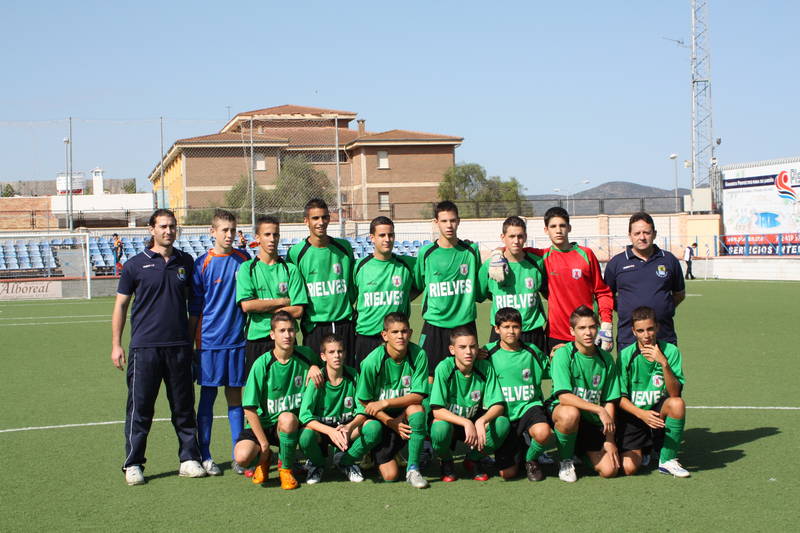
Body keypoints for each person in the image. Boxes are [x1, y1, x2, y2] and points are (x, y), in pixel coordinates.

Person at [110, 209, 205, 486]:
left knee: (184, 408)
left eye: (172, 226)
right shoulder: (134, 265)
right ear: (151, 229)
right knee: (140, 410)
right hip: (145, 349)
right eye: (163, 226)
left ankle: (189, 459)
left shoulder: (185, 261)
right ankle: (133, 463)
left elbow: (194, 307)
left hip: (179, 348)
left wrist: (190, 341)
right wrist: (116, 344)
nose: (168, 231)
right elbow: (121, 306)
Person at [488, 207, 614, 354]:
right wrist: (497, 253)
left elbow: (602, 291)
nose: (558, 230)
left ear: (569, 228)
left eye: (562, 225)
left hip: (586, 331)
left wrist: (606, 324)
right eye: (553, 226)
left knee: (591, 376)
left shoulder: (586, 254)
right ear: (546, 230)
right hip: (556, 335)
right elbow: (514, 245)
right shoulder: (542, 257)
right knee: (560, 376)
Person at [188, 210, 250, 476]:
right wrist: (193, 345)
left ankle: (238, 454)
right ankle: (206, 454)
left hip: (237, 341)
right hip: (210, 343)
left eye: (232, 230)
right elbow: (195, 310)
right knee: (208, 398)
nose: (229, 235)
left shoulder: (244, 260)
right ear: (212, 232)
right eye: (224, 230)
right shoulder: (202, 264)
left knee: (235, 397)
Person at [233, 311, 323, 490]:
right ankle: (264, 461)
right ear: (272, 334)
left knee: (288, 418)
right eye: (282, 331)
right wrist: (264, 445)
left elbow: (327, 367)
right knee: (242, 457)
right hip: (264, 426)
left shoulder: (306, 355)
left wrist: (315, 366)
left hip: (289, 424)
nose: (287, 335)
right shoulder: (262, 364)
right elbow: (249, 408)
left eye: (290, 330)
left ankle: (286, 469)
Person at [354, 312, 430, 488]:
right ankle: (369, 452)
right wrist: (390, 422)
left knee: (417, 411)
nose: (400, 336)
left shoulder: (418, 355)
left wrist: (387, 403)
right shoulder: (372, 361)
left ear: (410, 333)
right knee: (390, 476)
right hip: (380, 419)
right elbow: (365, 401)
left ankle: (413, 469)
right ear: (384, 335)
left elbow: (418, 396)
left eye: (404, 331)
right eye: (394, 332)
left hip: (402, 414)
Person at [546, 305, 621, 482]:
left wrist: (610, 440)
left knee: (610, 471)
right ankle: (565, 460)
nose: (588, 333)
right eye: (582, 328)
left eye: (592, 327)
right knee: (570, 413)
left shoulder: (606, 358)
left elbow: (609, 400)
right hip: (565, 413)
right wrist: (599, 410)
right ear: (572, 330)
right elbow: (563, 396)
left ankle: (580, 452)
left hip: (591, 422)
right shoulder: (563, 354)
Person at [616, 306, 689, 478]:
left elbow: (674, 393)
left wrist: (664, 363)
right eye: (640, 331)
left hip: (658, 413)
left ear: (657, 327)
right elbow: (619, 398)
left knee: (677, 404)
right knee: (629, 468)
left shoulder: (670, 351)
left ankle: (667, 460)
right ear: (634, 332)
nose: (646, 335)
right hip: (634, 414)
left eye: (650, 329)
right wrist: (641, 414)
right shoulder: (625, 355)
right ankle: (647, 447)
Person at [430, 326, 509, 482]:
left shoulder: (485, 368)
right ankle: (446, 460)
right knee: (439, 429)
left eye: (473, 347)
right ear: (452, 350)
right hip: (451, 422)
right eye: (462, 347)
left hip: (475, 420)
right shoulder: (444, 368)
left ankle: (473, 459)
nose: (468, 352)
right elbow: (437, 411)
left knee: (502, 423)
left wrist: (481, 421)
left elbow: (498, 405)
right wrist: (466, 422)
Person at [286, 198, 357, 365]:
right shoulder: (296, 253)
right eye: (315, 218)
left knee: (346, 377)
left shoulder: (343, 248)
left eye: (324, 217)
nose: (321, 222)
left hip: (344, 325)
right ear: (306, 221)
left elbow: (352, 286)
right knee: (316, 377)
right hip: (314, 327)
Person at [485, 308, 552, 482]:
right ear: (497, 329)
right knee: (507, 474)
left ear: (521, 328)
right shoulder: (486, 353)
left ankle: (531, 459)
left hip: (529, 407)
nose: (511, 331)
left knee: (543, 432)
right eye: (506, 327)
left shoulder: (532, 351)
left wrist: (558, 354)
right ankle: (520, 447)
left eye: (515, 326)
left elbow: (551, 370)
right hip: (504, 414)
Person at [414, 201, 481, 377]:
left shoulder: (471, 251)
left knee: (466, 375)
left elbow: (480, 287)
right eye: (444, 221)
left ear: (458, 221)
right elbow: (418, 285)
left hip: (464, 324)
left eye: (452, 220)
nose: (449, 225)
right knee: (429, 376)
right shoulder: (426, 253)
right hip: (435, 325)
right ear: (436, 222)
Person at [236, 215, 307, 377]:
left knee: (287, 390)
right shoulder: (247, 268)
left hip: (285, 338)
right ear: (257, 238)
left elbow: (298, 310)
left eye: (275, 234)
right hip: (258, 339)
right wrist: (282, 302)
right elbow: (247, 306)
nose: (272, 239)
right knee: (258, 392)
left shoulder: (291, 269)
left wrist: (263, 307)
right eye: (267, 235)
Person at [604, 212, 686, 350]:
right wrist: (625, 309)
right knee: (630, 372)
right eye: (637, 233)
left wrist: (664, 308)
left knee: (666, 372)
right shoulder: (616, 263)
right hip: (628, 339)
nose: (642, 237)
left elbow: (679, 294)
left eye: (646, 232)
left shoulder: (669, 260)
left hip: (664, 337)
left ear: (654, 234)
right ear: (630, 235)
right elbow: (606, 297)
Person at [298, 334, 367, 484]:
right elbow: (304, 415)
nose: (336, 356)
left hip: (345, 430)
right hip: (322, 432)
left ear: (345, 354)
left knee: (373, 428)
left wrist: (349, 427)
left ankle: (346, 461)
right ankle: (317, 464)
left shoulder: (354, 375)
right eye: (331, 352)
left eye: (340, 351)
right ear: (323, 356)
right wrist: (330, 431)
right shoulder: (317, 378)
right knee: (305, 436)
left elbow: (363, 410)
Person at [353, 216, 417, 367]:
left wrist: (405, 297)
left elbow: (422, 284)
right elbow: (350, 295)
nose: (387, 239)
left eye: (391, 235)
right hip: (367, 337)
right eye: (382, 235)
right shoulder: (359, 266)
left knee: (395, 386)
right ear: (372, 238)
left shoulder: (407, 264)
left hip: (396, 337)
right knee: (366, 386)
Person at [478, 216, 547, 351]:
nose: (516, 241)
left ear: (525, 237)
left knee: (537, 371)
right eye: (511, 236)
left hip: (531, 332)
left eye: (520, 236)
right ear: (503, 237)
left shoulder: (537, 263)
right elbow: (481, 294)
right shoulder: (490, 265)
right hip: (502, 332)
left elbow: (545, 290)